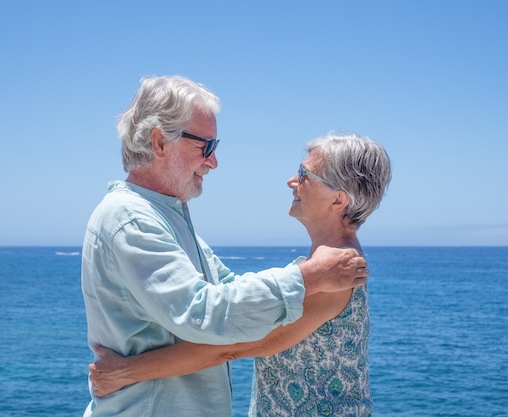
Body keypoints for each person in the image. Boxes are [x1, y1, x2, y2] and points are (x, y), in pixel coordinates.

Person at [81, 76, 370, 417]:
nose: (213, 161)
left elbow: (228, 292)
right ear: (159, 143)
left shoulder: (165, 217)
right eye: (205, 146)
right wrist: (309, 277)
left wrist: (309, 275)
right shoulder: (131, 219)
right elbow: (206, 313)